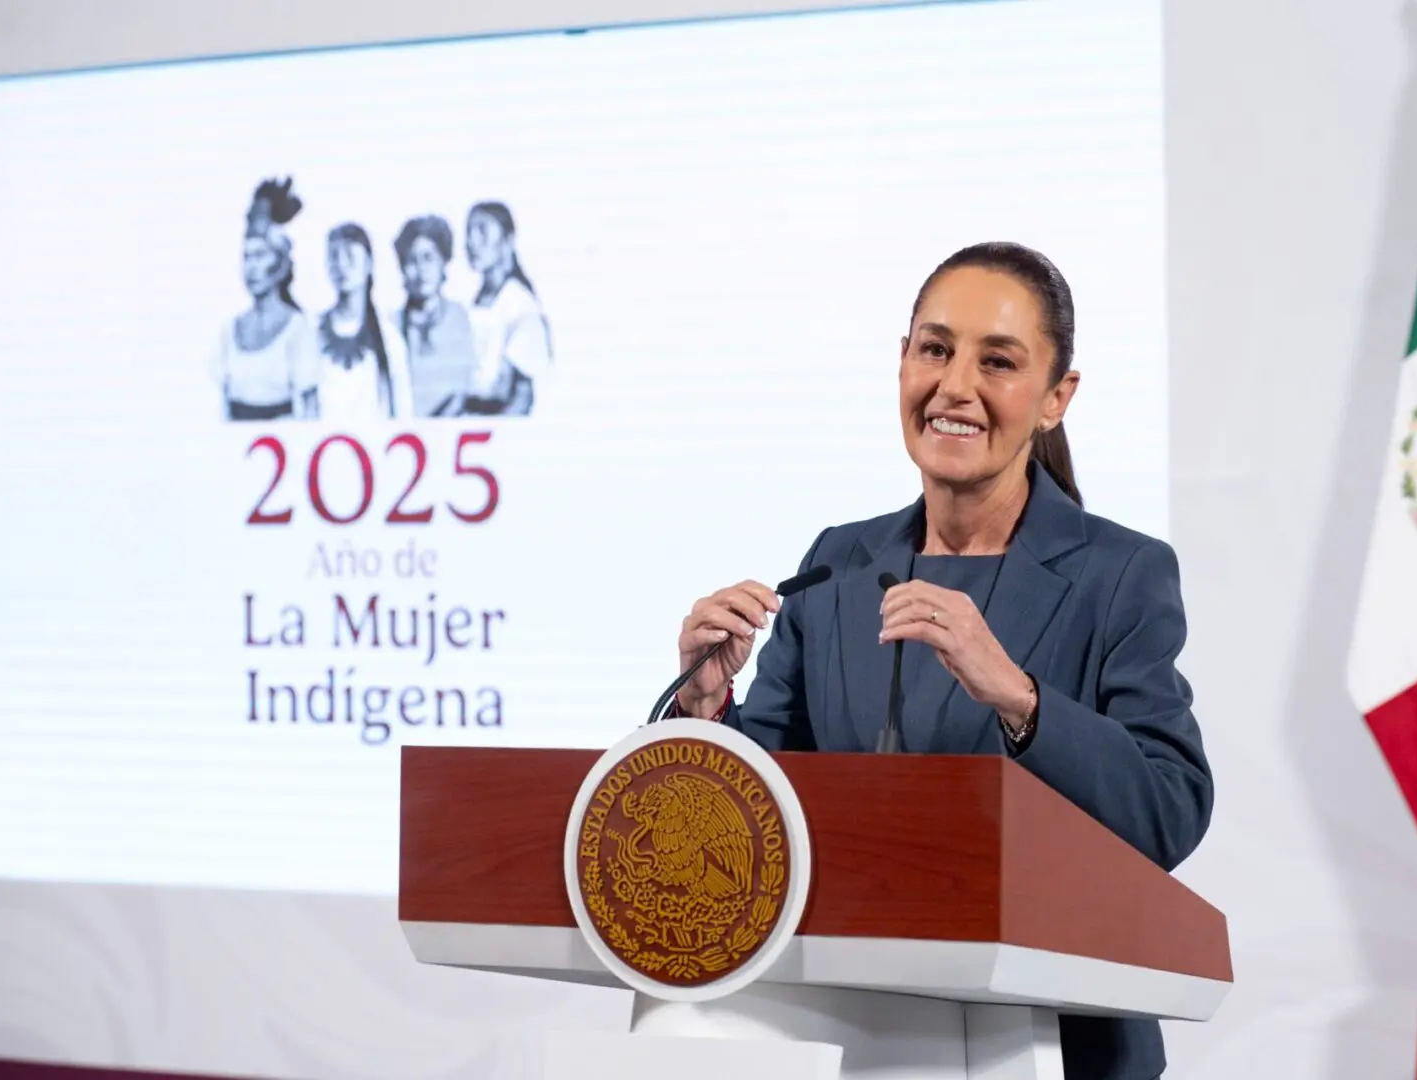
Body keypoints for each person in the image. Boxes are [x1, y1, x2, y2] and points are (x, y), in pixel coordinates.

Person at [670, 242, 1213, 1080]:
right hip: (840, 1036)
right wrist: (707, 709)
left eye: (997, 361)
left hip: (1054, 1049)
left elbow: (1169, 811)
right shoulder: (837, 564)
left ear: (1055, 399)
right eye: (935, 349)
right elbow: (765, 808)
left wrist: (1022, 700)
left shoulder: (1121, 574)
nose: (954, 385)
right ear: (902, 363)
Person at [212, 177, 321, 420]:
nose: (251, 268)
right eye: (247, 257)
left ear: (280, 264)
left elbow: (311, 413)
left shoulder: (298, 329)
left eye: (260, 256)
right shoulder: (228, 331)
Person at [464, 200, 553, 416]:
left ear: (508, 241)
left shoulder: (519, 305)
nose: (472, 242)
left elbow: (522, 396)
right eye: (469, 232)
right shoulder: (477, 302)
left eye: (482, 231)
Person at [317, 223, 412, 421]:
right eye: (334, 256)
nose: (342, 265)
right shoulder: (311, 333)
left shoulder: (389, 338)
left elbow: (403, 413)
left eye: (350, 256)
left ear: (368, 264)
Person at [392, 214, 479, 418]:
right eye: (412, 261)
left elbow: (468, 386)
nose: (421, 270)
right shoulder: (392, 326)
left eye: (428, 258)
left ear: (443, 262)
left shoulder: (462, 320)